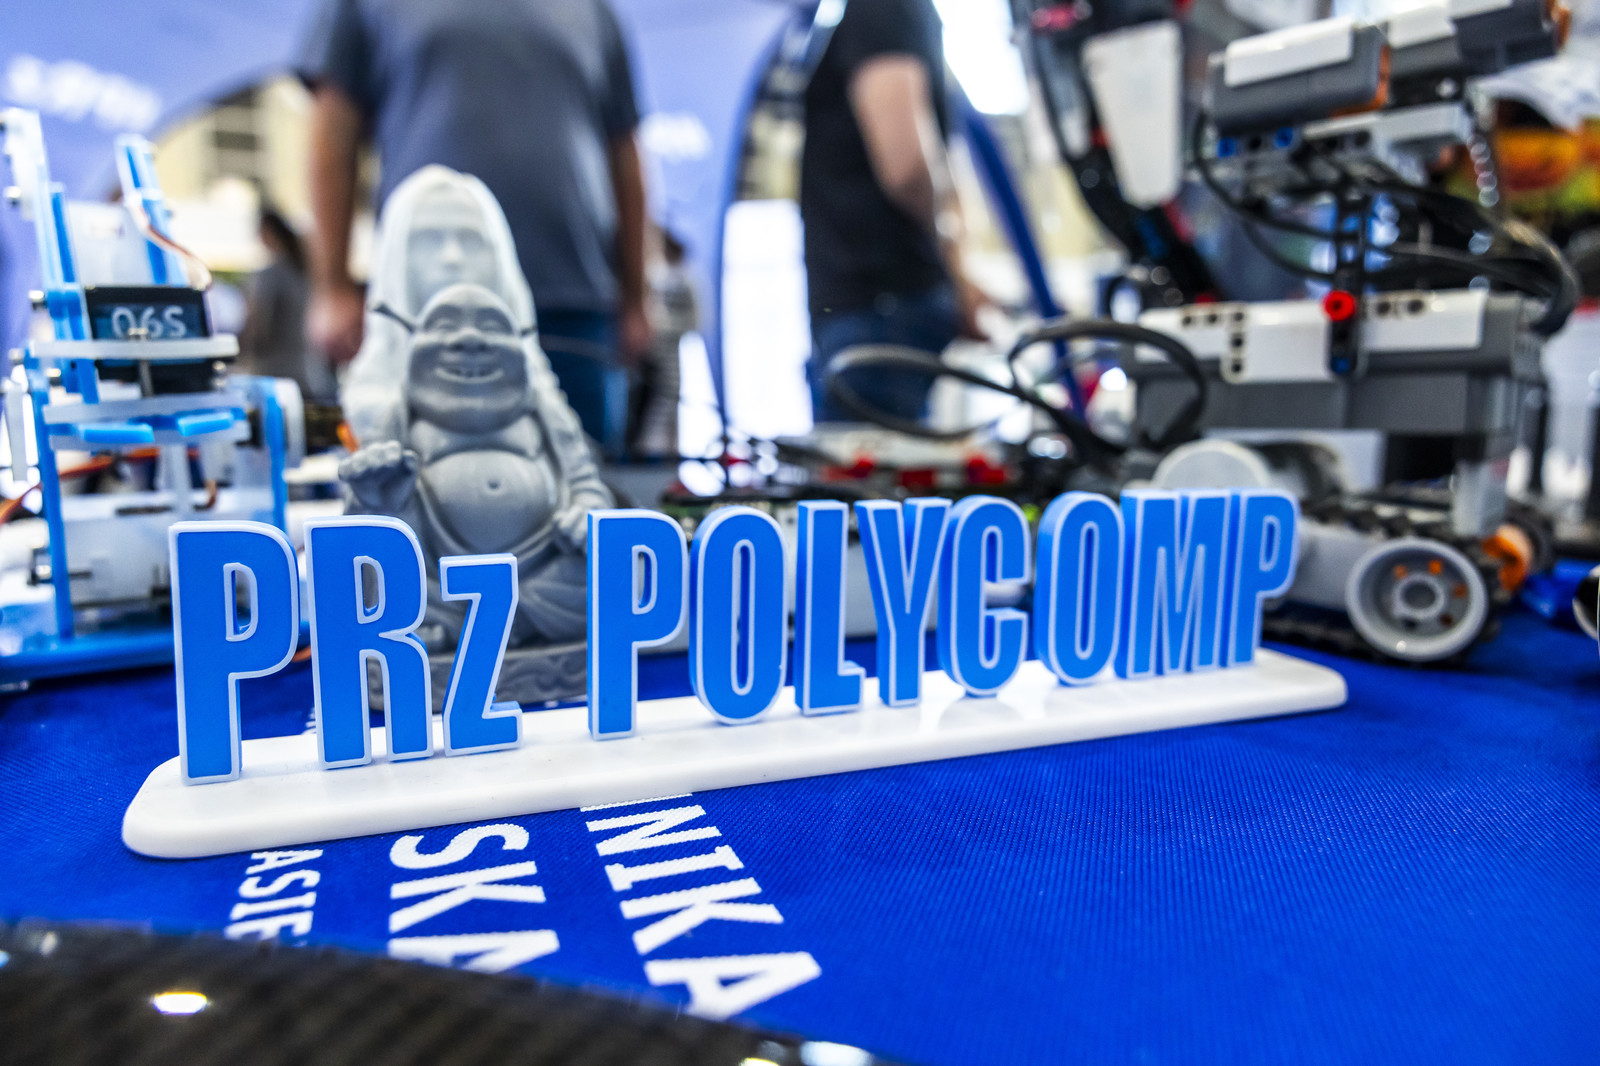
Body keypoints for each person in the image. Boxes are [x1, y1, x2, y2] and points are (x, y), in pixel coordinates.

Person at [297, 0, 652, 453]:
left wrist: (637, 296)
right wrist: (331, 287)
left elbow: (625, 150)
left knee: (587, 478)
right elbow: (333, 133)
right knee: (422, 477)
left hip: (574, 311)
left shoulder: (594, 11)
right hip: (425, 309)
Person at [801, 0, 990, 423]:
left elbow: (907, 169)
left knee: (866, 461)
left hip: (879, 307)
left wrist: (958, 270)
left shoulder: (884, 6)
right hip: (882, 306)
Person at [237, 209, 332, 402]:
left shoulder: (271, 274)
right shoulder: (305, 273)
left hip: (274, 377)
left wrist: (239, 353)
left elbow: (258, 325)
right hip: (310, 375)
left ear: (267, 232)